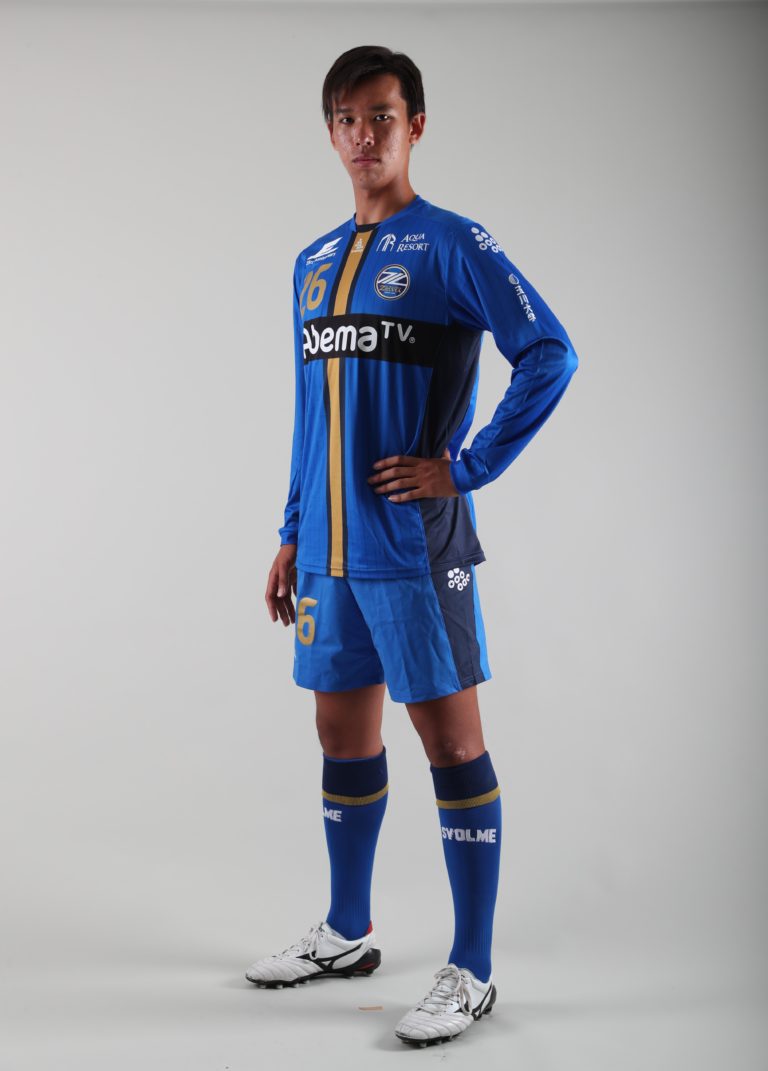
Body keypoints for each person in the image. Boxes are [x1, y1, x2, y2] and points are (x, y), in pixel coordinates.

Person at [245, 45, 579, 1048]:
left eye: (382, 117)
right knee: (340, 735)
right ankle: (348, 931)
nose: (364, 136)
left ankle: (472, 968)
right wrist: (291, 532)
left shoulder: (450, 243)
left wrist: (466, 467)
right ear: (330, 132)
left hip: (413, 546)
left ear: (416, 125)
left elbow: (549, 352)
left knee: (451, 743)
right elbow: (311, 414)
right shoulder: (310, 263)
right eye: (347, 119)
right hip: (328, 552)